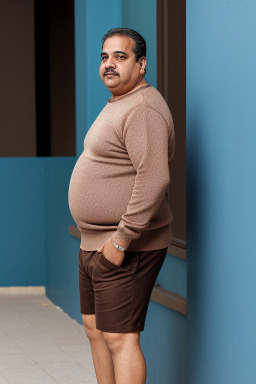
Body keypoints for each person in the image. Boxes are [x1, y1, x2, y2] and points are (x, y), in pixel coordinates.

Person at [68, 27, 175, 384]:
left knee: (120, 337)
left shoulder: (143, 108)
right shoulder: (120, 102)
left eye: (120, 57)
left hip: (124, 245)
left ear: (142, 65)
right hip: (95, 242)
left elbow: (154, 179)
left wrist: (121, 241)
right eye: (104, 57)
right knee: (96, 330)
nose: (109, 64)